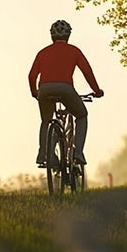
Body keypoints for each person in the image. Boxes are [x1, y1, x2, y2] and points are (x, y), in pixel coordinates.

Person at [29, 20, 103, 166]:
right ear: (68, 36)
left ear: (52, 36)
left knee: (46, 121)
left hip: (44, 89)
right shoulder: (74, 51)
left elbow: (32, 76)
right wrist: (97, 90)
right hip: (65, 88)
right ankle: (78, 153)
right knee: (81, 115)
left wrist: (34, 92)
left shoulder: (43, 52)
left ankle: (43, 154)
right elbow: (87, 72)